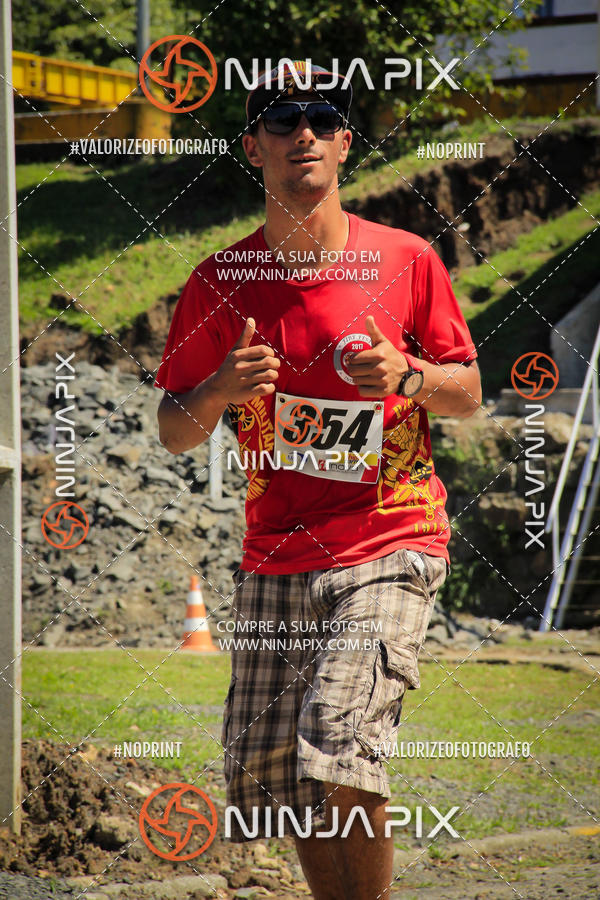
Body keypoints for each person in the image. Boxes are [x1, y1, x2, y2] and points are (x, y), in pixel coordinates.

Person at [156, 60, 481, 900]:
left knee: (339, 737)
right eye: (278, 117)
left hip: (390, 537)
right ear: (251, 147)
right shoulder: (219, 283)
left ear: (342, 142)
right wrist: (222, 389)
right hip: (275, 555)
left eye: (320, 116)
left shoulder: (406, 261)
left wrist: (408, 376)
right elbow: (173, 431)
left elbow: (471, 394)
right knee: (277, 782)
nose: (300, 129)